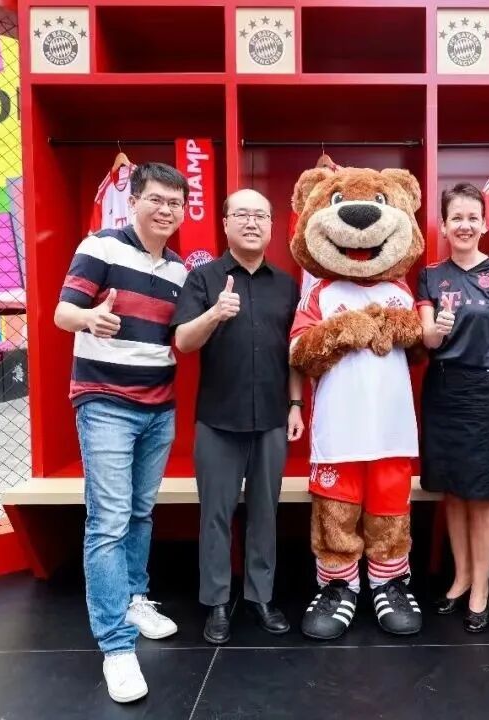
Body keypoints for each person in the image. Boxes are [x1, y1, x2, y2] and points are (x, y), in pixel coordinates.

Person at [53, 162, 190, 704]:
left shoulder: (179, 269)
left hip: (160, 406)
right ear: (132, 202)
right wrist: (90, 319)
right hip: (106, 402)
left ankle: (135, 598)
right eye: (156, 199)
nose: (166, 210)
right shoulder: (101, 247)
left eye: (175, 203)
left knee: (139, 512)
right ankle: (115, 646)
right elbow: (63, 312)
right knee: (107, 521)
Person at [173, 189, 304, 645]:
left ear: (271, 226)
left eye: (261, 215)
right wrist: (214, 314)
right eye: (242, 214)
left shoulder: (286, 285)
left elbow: (295, 354)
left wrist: (295, 405)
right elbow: (183, 342)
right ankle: (215, 602)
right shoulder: (203, 279)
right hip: (217, 418)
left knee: (265, 513)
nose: (252, 222)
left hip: (271, 418)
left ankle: (260, 597)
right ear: (225, 223)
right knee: (215, 514)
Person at [416, 183, 489, 633]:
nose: (464, 225)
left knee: (482, 494)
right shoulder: (430, 275)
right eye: (456, 218)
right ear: (443, 226)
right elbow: (427, 340)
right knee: (453, 491)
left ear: (485, 224)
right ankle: (460, 578)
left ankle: (481, 588)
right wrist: (438, 329)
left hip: (486, 392)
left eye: (472, 218)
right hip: (443, 390)